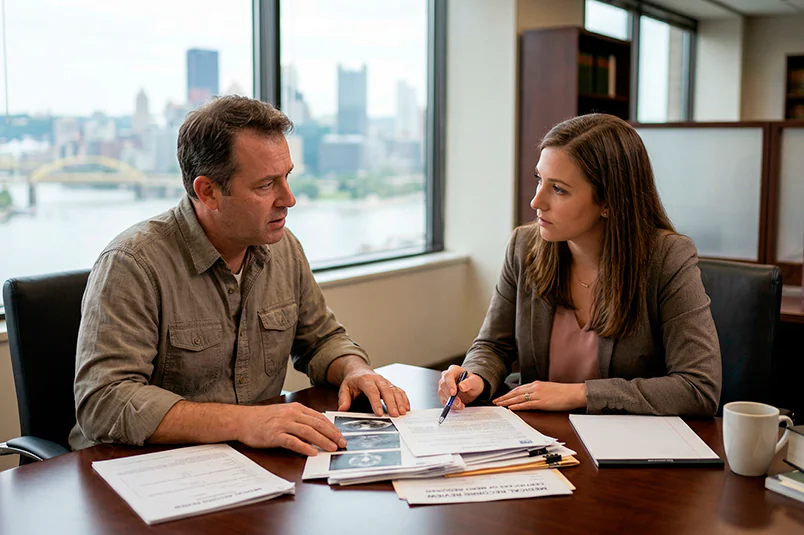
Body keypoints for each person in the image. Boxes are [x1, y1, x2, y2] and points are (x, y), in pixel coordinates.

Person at [71, 96, 410, 456]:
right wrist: (245, 421)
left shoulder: (283, 247)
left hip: (250, 463)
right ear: (208, 192)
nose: (289, 199)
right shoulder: (132, 264)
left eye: (287, 178)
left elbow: (322, 339)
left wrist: (354, 371)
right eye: (266, 185)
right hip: (141, 471)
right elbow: (105, 402)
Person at [438, 113, 721, 416]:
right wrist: (476, 377)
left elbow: (698, 387)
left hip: (626, 447)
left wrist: (580, 394)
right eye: (539, 180)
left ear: (609, 202)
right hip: (541, 440)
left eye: (558, 189)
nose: (536, 201)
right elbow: (493, 346)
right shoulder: (524, 246)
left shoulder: (667, 257)